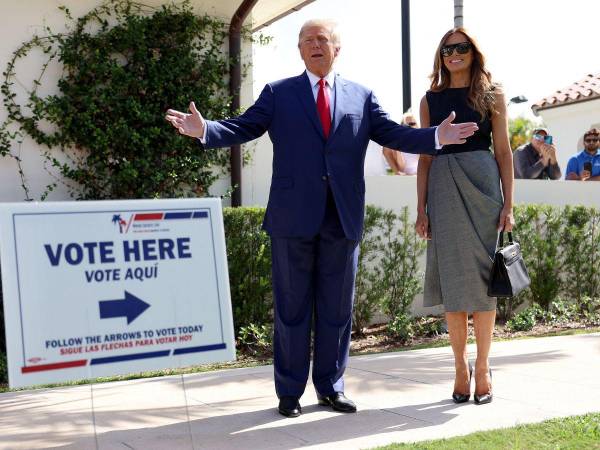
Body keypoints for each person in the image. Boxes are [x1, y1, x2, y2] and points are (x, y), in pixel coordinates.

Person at [166, 19, 477, 418]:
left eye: (322, 39)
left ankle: (331, 387)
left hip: (341, 219)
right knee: (292, 310)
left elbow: (391, 135)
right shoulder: (279, 93)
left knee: (336, 310)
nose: (315, 45)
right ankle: (290, 393)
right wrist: (205, 129)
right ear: (299, 50)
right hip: (292, 220)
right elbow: (244, 126)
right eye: (307, 41)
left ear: (336, 48)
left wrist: (435, 137)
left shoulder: (361, 96)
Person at [415, 27, 515, 405]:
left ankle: (484, 365)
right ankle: (460, 366)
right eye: (447, 49)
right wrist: (421, 208)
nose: (453, 54)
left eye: (461, 48)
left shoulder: (493, 94)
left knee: (484, 282)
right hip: (443, 187)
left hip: (484, 187)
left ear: (474, 52)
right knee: (455, 281)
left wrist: (509, 204)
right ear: (440, 56)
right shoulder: (430, 100)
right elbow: (424, 159)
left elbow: (504, 153)